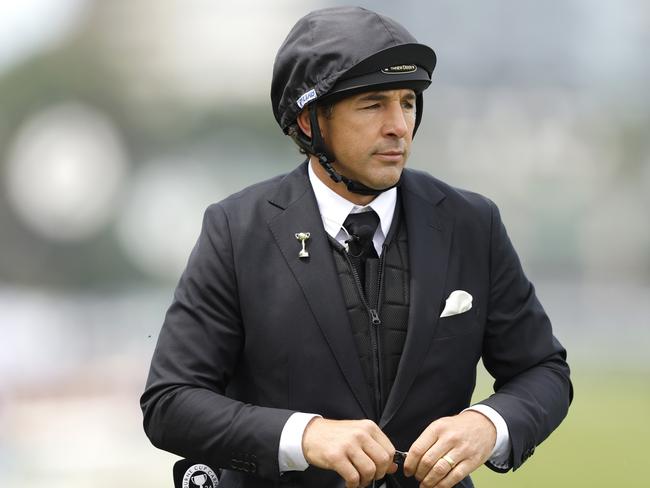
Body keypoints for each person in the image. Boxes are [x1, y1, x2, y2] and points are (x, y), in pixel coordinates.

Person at [141, 7, 572, 488]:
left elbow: (543, 370)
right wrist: (303, 437)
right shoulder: (235, 230)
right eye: (373, 104)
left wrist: (488, 425)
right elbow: (170, 402)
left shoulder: (473, 223)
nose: (398, 126)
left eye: (407, 102)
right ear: (309, 122)